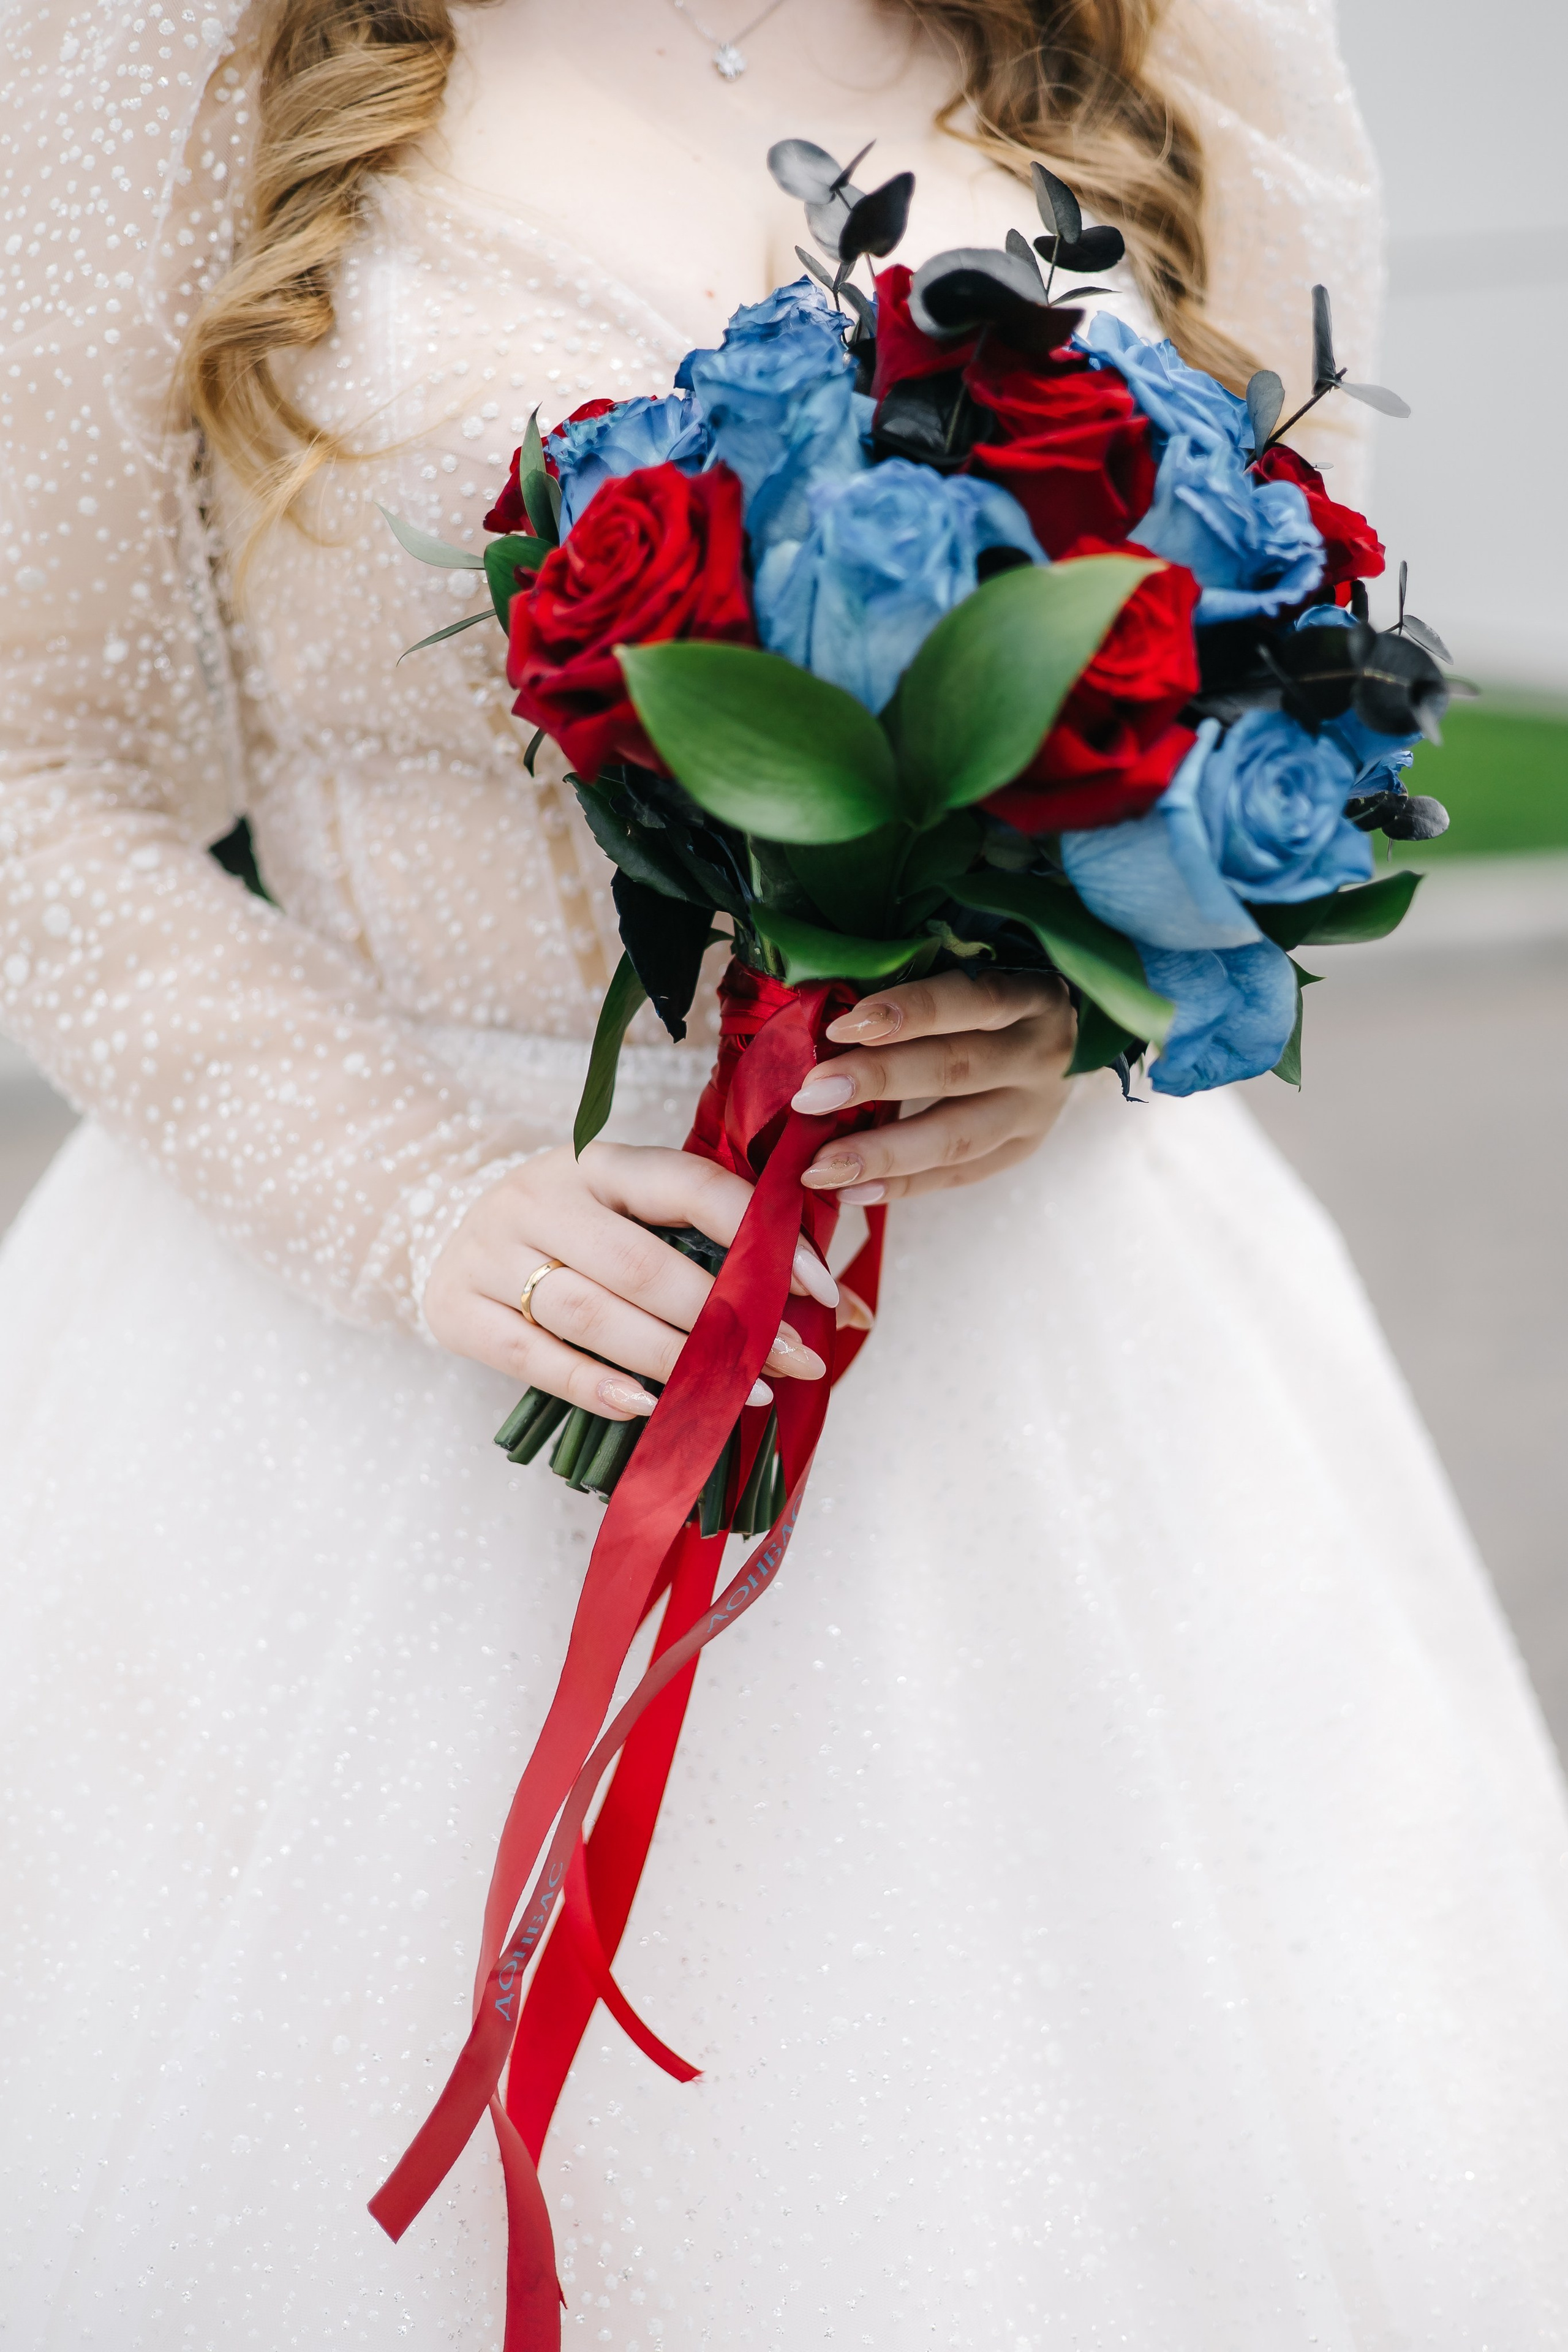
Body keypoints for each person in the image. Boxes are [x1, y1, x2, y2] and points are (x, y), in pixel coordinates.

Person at [2, 0, 1566, 2340]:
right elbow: (35, 766)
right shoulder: (190, 56)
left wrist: (1069, 1011)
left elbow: (1257, 676)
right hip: (380, 1381)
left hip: (1040, 1367)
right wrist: (403, 1194)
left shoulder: (1159, 51)